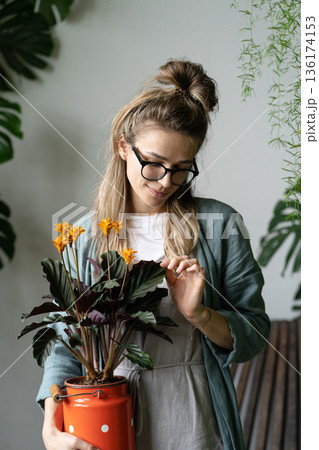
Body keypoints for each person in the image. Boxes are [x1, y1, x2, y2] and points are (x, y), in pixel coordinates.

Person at [37, 59, 271, 450]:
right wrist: (51, 423)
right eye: (154, 165)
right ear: (123, 146)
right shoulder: (85, 236)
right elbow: (66, 343)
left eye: (181, 169)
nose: (166, 182)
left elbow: (256, 331)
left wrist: (200, 314)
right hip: (102, 414)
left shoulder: (219, 224)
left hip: (195, 413)